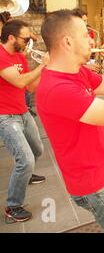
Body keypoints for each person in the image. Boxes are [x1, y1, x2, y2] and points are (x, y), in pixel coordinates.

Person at [36, 9, 104, 233]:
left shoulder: (76, 71)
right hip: (94, 182)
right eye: (85, 34)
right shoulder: (57, 88)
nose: (92, 39)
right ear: (67, 42)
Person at [0, 20, 48, 222]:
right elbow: (19, 80)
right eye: (25, 38)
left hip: (22, 111)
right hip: (6, 116)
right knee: (25, 159)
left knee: (37, 150)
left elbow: (28, 86)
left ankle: (25, 176)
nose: (29, 43)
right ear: (11, 37)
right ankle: (12, 206)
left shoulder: (19, 55)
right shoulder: (1, 56)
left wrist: (41, 68)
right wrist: (43, 64)